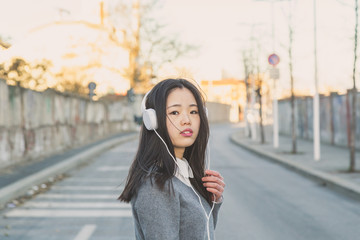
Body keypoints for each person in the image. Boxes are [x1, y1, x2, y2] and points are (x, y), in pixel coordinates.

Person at [119, 78, 225, 240]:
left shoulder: (184, 175)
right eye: (174, 112)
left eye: (194, 112)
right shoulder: (156, 185)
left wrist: (213, 202)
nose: (186, 120)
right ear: (152, 120)